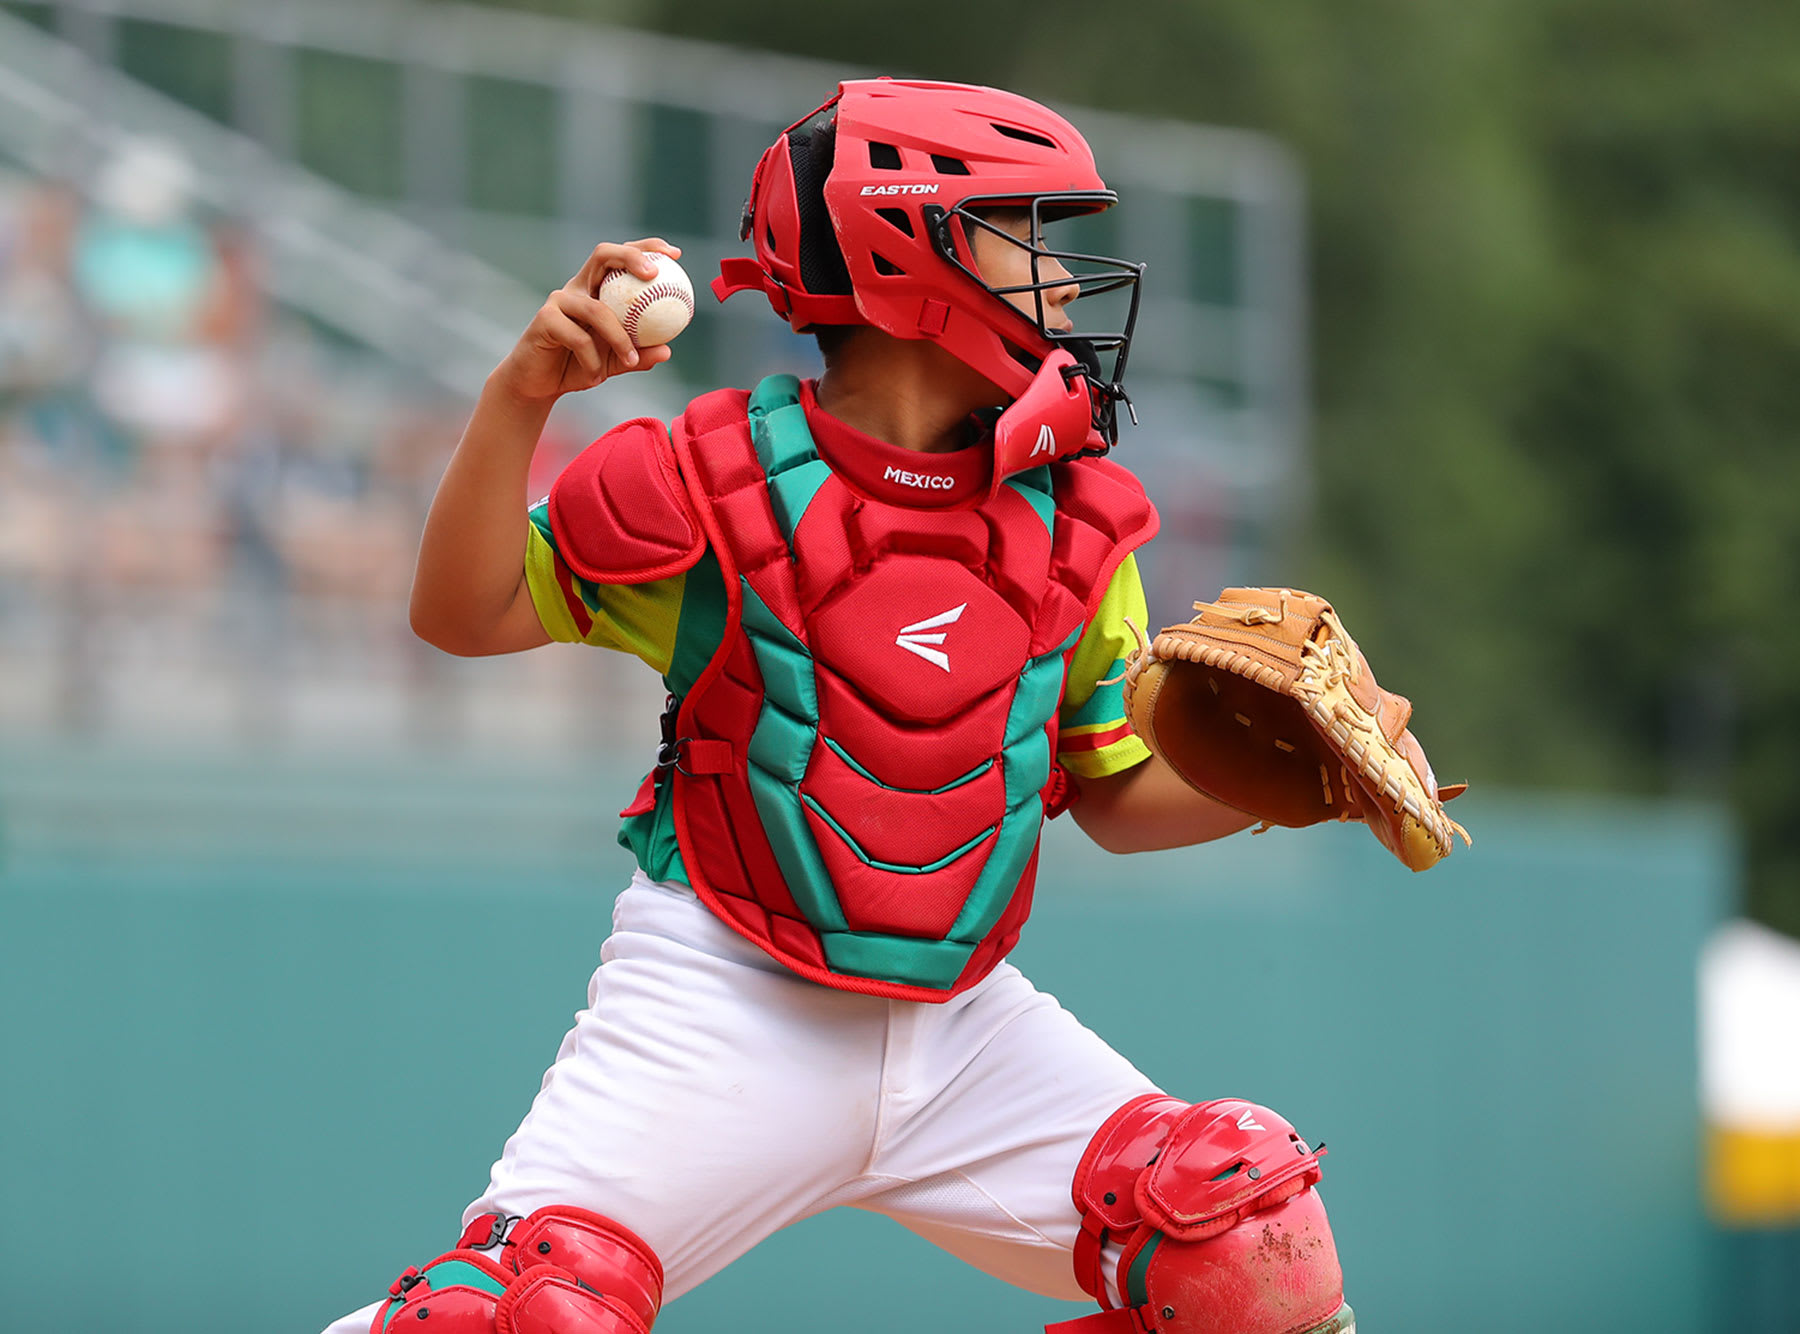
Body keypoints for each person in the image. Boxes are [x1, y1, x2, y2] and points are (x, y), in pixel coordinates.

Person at [326, 79, 1354, 1334]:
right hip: (719, 993)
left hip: (965, 1024)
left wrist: (1308, 779)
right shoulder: (696, 476)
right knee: (523, 1316)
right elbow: (463, 612)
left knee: (1242, 1232)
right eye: (1022, 232)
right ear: (902, 242)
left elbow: (1117, 798)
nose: (1067, 280)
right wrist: (520, 394)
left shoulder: (1073, 517)